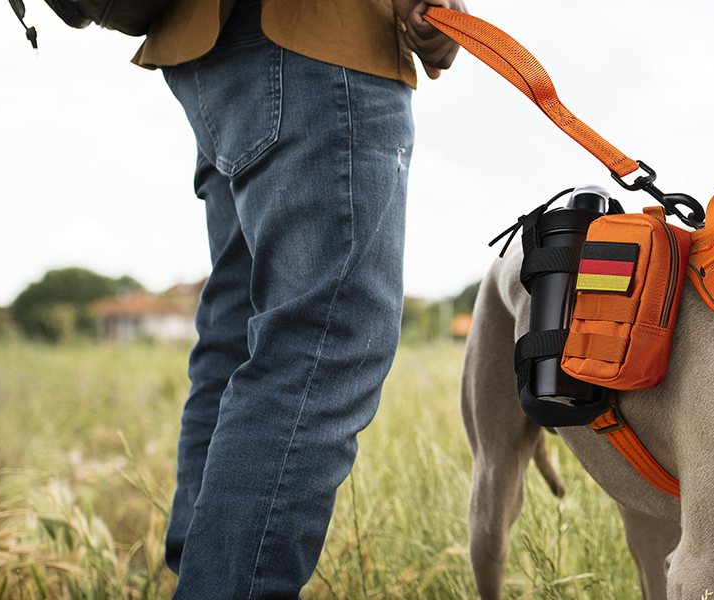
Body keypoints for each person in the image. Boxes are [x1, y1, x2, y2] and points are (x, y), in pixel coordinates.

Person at [130, 0, 466, 597]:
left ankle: (201, 580)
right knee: (322, 345)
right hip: (316, 39)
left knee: (240, 339)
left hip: (205, 47)